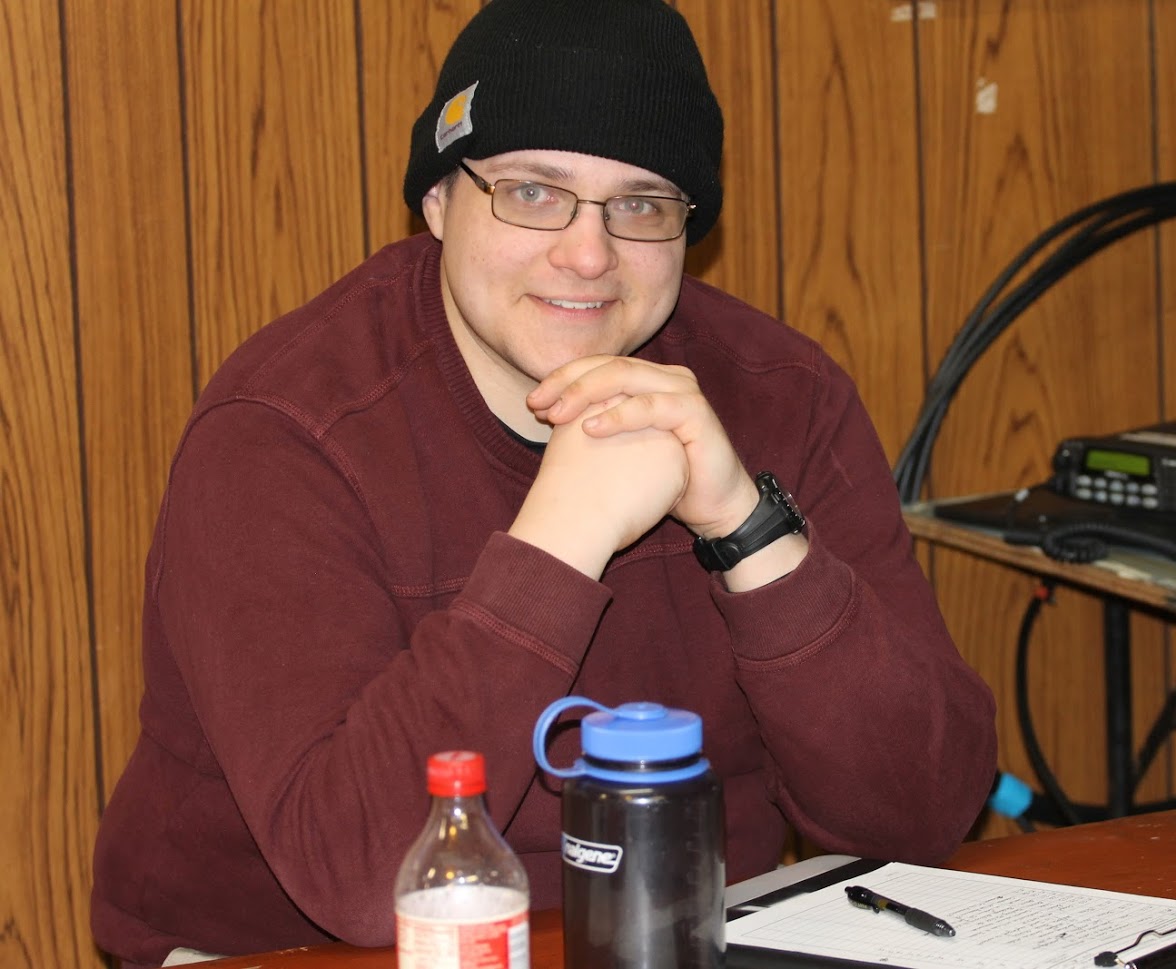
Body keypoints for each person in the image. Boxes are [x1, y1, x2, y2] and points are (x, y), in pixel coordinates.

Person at [90, 0, 997, 965]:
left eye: (641, 205)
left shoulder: (780, 397)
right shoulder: (287, 432)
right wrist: (558, 540)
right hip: (283, 949)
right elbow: (361, 879)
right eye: (532, 192)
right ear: (438, 201)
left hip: (672, 938)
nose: (588, 252)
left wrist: (747, 527)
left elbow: (920, 816)